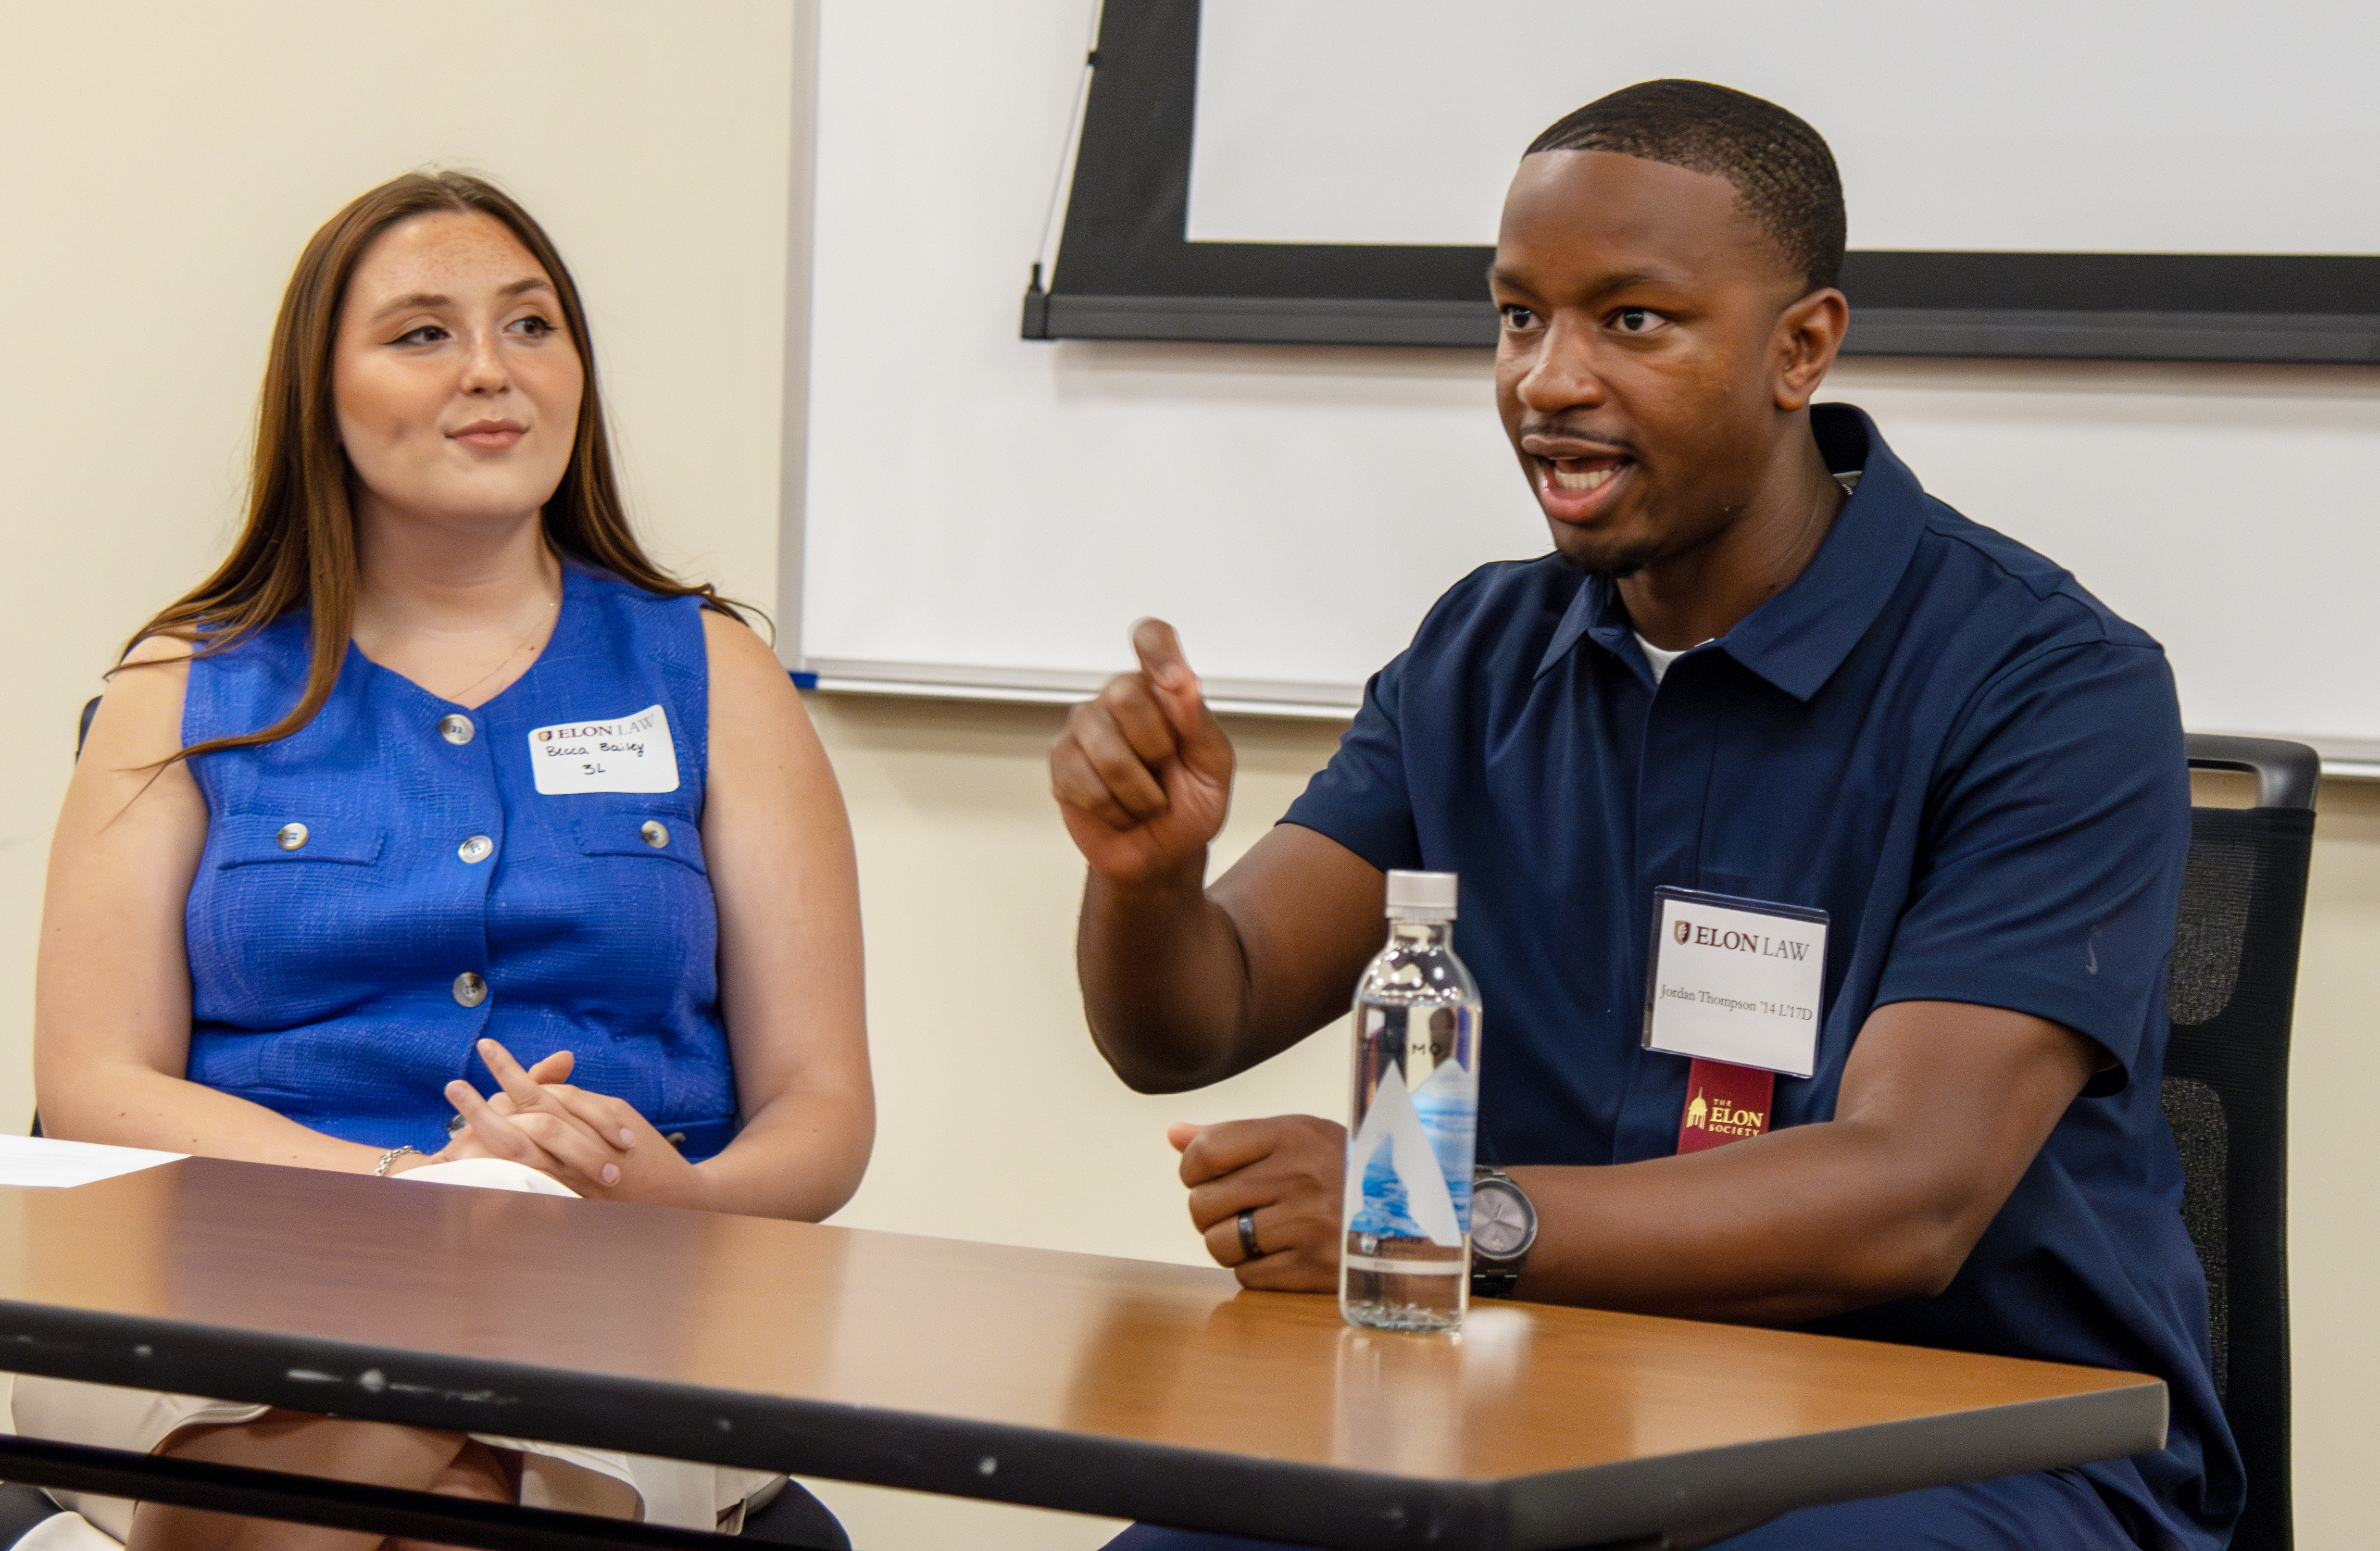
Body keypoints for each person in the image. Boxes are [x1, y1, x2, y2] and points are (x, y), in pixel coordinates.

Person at [1049, 82, 2237, 1550]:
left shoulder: (2048, 684)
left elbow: (1907, 1193)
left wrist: (1440, 1216)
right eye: (1514, 316)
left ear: (1799, 347)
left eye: (1630, 320)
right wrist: (1149, 880)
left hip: (1962, 1445)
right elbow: (1190, 1019)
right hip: (1542, 1409)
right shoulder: (1478, 655)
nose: (1546, 378)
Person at [26, 172, 870, 1550]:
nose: (491, 370)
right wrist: (415, 1206)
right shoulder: (179, 684)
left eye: (531, 326)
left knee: (413, 1502)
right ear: (323, 392)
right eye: (423, 333)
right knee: (434, 1496)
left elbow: (822, 1101)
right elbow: (93, 1081)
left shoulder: (715, 673)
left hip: (613, 1275)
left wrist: (686, 1199)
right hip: (239, 1264)